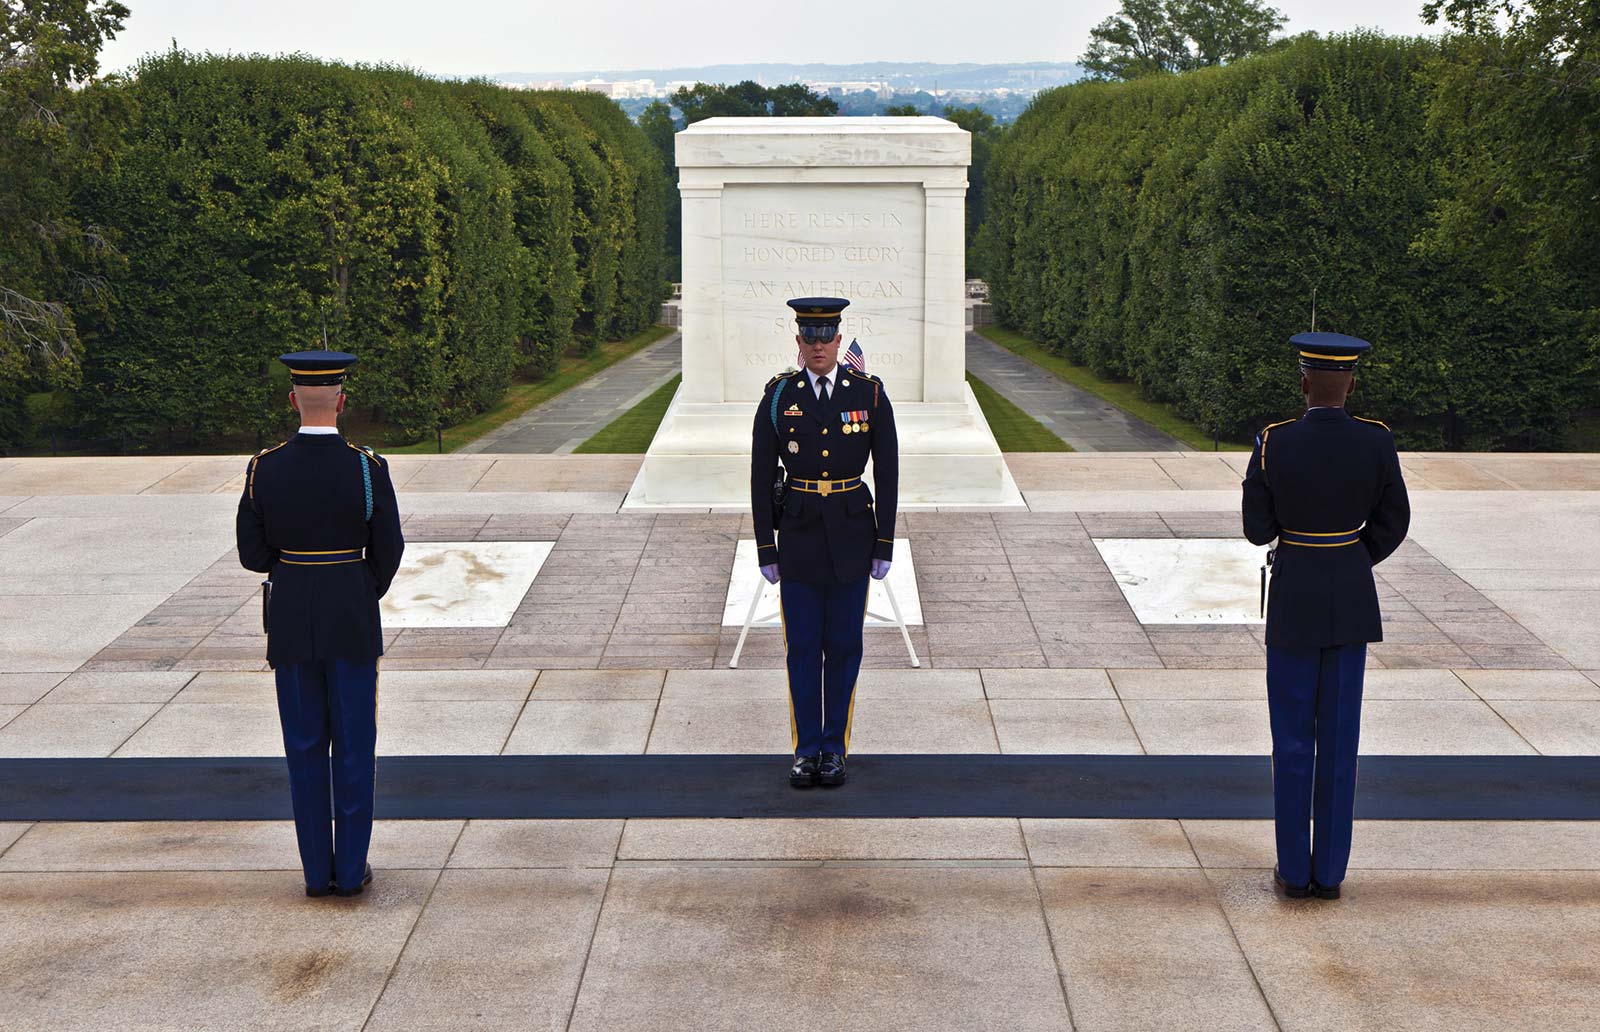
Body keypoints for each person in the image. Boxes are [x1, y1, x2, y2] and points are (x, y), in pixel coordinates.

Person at [1242, 331, 1410, 901]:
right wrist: (1352, 557)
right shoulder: (1376, 441)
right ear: (1352, 384)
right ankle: (1330, 875)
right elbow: (1394, 521)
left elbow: (1257, 530)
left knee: (1292, 740)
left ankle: (1294, 872)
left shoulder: (1273, 442)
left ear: (1304, 382)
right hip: (1350, 595)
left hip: (1294, 599)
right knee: (1340, 740)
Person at [236, 349, 405, 898]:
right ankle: (350, 871)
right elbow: (389, 548)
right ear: (341, 400)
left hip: (290, 617)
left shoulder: (265, 467)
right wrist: (358, 588)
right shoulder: (365, 466)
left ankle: (316, 873)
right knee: (354, 743)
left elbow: (253, 554)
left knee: (304, 745)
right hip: (351, 614)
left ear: (292, 400)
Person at [751, 298, 898, 788]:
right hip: (798, 538)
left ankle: (834, 749)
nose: (818, 345)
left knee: (844, 646)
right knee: (802, 648)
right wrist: (765, 548)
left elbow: (889, 473)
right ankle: (805, 749)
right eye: (809, 337)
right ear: (798, 343)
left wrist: (884, 543)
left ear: (839, 341)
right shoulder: (778, 397)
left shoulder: (870, 395)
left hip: (853, 537)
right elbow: (758, 477)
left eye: (827, 336)